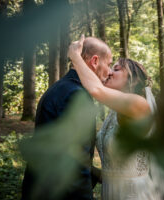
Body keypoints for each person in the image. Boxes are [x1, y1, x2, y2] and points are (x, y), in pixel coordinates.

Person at [68, 35, 164, 200]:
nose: (108, 72)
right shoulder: (113, 112)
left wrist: (75, 56)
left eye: (115, 69)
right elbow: (114, 168)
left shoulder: (139, 105)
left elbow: (95, 90)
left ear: (132, 79)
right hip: (111, 192)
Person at [21, 37, 113, 200]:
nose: (110, 71)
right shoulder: (76, 95)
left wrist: (98, 174)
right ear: (95, 61)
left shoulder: (62, 87)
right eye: (109, 64)